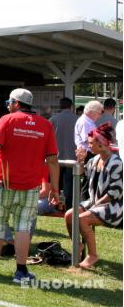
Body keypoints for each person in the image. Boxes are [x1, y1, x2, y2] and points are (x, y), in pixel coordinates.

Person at [0, 88, 59, 283]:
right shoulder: (45, 125)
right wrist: (56, 190)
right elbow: (52, 160)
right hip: (31, 187)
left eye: (9, 102)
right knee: (23, 228)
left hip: (4, 184)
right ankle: (21, 272)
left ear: (15, 103)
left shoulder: (7, 120)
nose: (8, 105)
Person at [65, 123, 122, 269]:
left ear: (101, 144)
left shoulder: (116, 163)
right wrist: (80, 161)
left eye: (91, 143)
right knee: (69, 215)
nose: (89, 146)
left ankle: (93, 255)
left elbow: (114, 193)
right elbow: (84, 175)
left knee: (82, 219)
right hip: (95, 202)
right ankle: (77, 247)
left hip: (114, 207)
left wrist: (94, 207)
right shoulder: (95, 159)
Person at [49, 97, 78, 210]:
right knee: (69, 186)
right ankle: (69, 207)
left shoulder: (52, 119)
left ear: (60, 106)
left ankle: (56, 205)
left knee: (56, 184)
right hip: (72, 158)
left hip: (56, 158)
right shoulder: (77, 119)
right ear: (71, 107)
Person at [75, 100, 103, 200]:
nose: (100, 116)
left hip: (88, 154)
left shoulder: (87, 121)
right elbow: (88, 139)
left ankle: (86, 204)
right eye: (99, 113)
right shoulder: (85, 121)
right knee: (88, 183)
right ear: (92, 112)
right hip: (87, 154)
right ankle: (84, 205)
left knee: (90, 182)